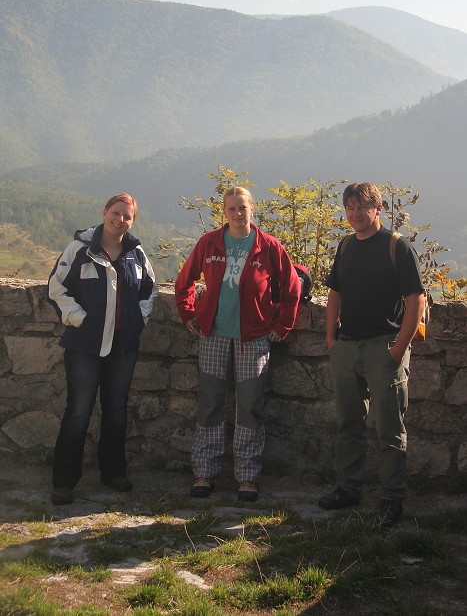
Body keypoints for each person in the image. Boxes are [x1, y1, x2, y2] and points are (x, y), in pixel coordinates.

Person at [175, 186, 301, 502]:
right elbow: (185, 280)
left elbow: (291, 288)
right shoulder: (210, 243)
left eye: (242, 207)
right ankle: (204, 472)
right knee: (210, 403)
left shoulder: (268, 247)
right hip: (213, 335)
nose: (237, 213)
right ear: (224, 212)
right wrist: (188, 313)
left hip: (254, 338)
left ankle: (247, 477)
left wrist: (282, 325)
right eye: (231, 208)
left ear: (251, 209)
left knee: (249, 407)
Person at [318, 182, 425, 527]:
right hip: (347, 347)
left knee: (389, 429)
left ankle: (392, 499)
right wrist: (331, 338)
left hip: (384, 348)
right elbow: (335, 292)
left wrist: (398, 349)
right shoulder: (346, 245)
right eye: (349, 208)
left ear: (378, 209)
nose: (354, 214)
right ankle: (349, 489)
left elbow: (415, 301)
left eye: (361, 208)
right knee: (348, 424)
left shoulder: (397, 247)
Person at [48, 193, 157, 505]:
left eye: (127, 216)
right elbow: (56, 289)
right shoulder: (80, 250)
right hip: (84, 345)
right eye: (116, 212)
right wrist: (79, 320)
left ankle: (113, 473)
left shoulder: (136, 254)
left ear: (132, 221)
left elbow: (149, 291)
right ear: (105, 212)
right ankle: (64, 482)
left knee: (116, 410)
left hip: (123, 345)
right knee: (78, 411)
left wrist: (139, 320)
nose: (120, 219)